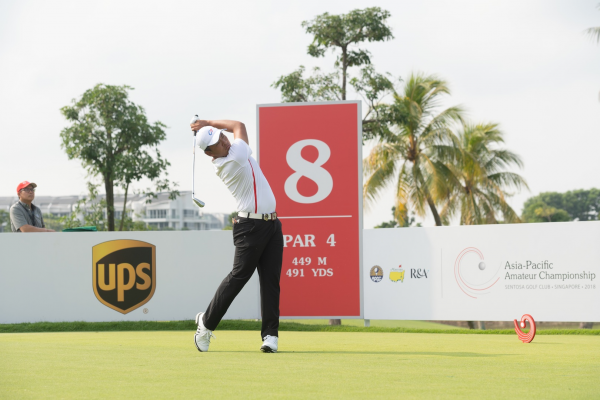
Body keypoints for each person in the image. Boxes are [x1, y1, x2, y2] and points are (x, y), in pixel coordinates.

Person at [190, 119, 283, 353]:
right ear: (210, 153)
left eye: (220, 135)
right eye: (217, 142)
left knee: (271, 281)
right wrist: (209, 122)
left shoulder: (231, 151)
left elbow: (232, 131)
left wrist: (208, 125)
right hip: (250, 226)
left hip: (272, 224)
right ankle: (206, 324)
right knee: (239, 277)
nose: (224, 139)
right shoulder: (233, 159)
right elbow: (238, 125)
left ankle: (270, 336)